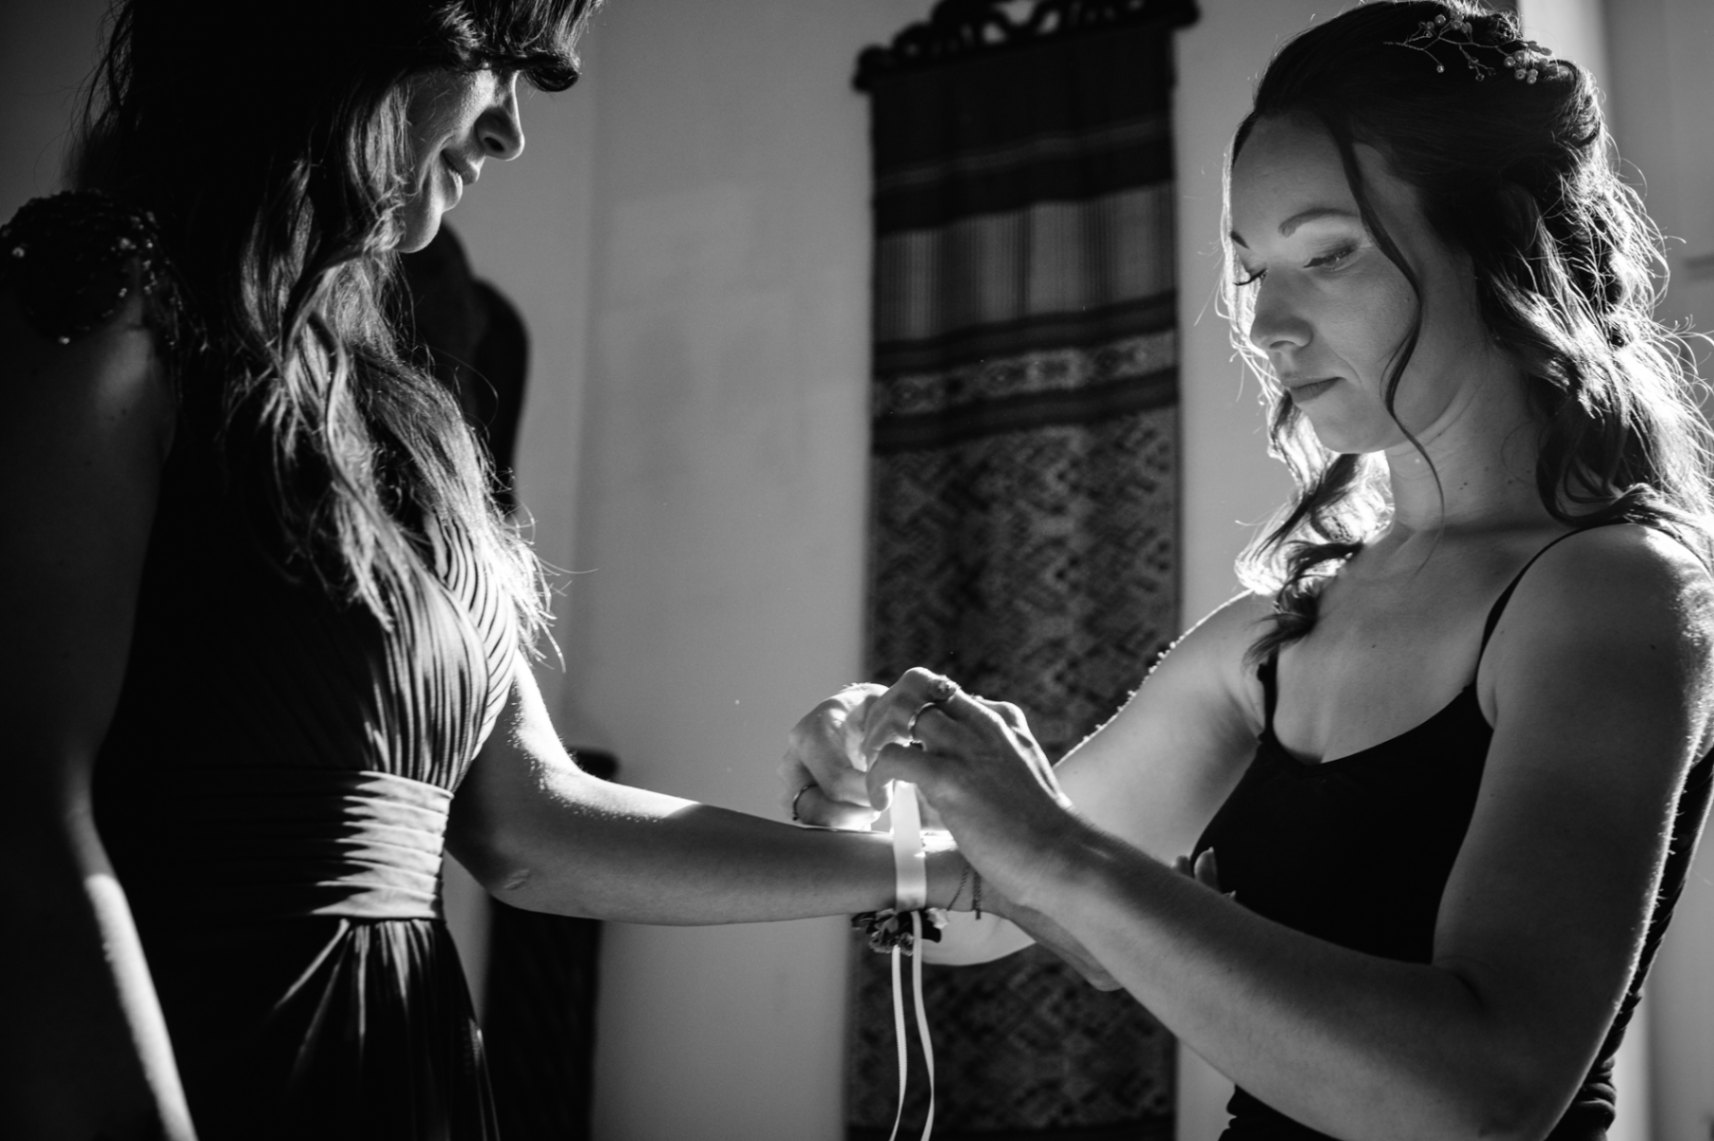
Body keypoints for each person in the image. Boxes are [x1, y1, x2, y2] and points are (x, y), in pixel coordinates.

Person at [0, 2, 996, 1137]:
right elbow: (23, 800)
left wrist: (935, 871)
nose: (512, 132)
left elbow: (532, 828)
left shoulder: (404, 420)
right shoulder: (106, 306)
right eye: (498, 67)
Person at [785, 2, 1714, 1138]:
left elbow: (1482, 1094)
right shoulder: (1274, 639)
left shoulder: (1612, 592)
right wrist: (865, 796)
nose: (1267, 323)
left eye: (1327, 255)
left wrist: (1060, 854)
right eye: (1248, 269)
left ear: (1501, 243)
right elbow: (982, 913)